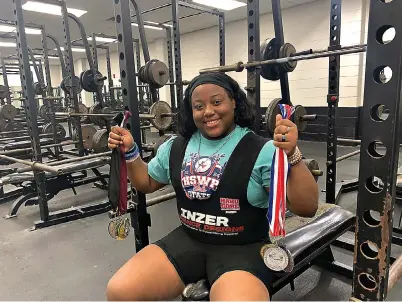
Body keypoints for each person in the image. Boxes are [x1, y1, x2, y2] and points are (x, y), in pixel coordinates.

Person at [106, 73, 318, 301]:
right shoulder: (176, 146)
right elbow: (146, 183)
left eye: (217, 102)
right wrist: (129, 151)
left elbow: (306, 208)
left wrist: (292, 155)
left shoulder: (263, 150)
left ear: (234, 102)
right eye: (199, 106)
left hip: (241, 250)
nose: (208, 111)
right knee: (119, 291)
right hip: (187, 240)